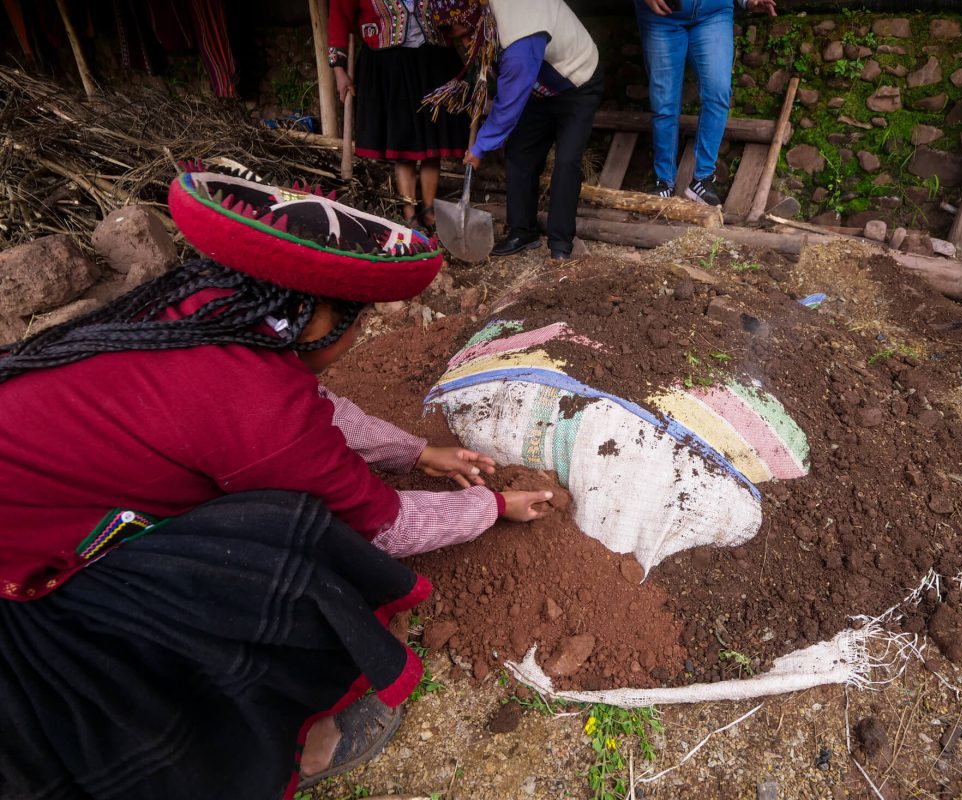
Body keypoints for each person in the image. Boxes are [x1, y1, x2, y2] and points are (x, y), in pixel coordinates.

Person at [0, 165, 553, 799]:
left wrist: (418, 450)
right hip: (30, 578)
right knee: (281, 538)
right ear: (317, 318)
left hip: (28, 511)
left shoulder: (203, 310)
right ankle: (303, 741)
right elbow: (381, 523)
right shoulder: (255, 404)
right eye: (358, 321)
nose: (357, 334)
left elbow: (308, 402)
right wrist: (491, 504)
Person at [423, 0, 603, 261]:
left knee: (566, 161)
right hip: (536, 89)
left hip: (577, 81)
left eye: (465, 36)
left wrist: (480, 146)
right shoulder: (483, 16)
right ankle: (523, 231)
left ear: (476, 20)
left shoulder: (520, 35)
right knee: (520, 155)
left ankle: (561, 242)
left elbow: (508, 104)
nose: (464, 45)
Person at [328, 0, 469, 229]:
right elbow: (339, 17)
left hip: (432, 60)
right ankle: (409, 211)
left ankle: (430, 209)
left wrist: (464, 29)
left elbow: (454, 8)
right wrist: (339, 70)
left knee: (432, 142)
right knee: (404, 143)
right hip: (389, 64)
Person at [636, 0, 777, 205]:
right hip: (662, 16)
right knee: (664, 103)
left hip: (713, 12)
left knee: (718, 91)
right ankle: (664, 182)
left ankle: (702, 179)